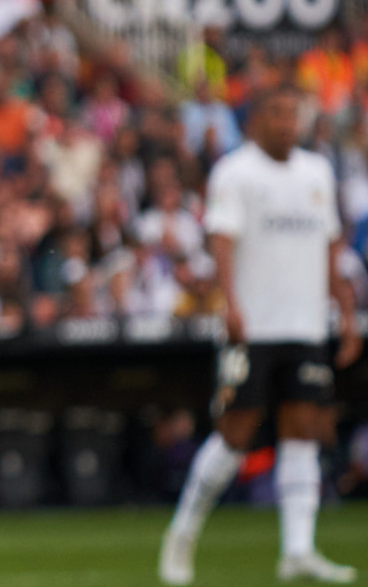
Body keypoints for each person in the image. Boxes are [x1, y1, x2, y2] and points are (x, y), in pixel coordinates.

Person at [160, 85, 362, 585]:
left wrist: (345, 311)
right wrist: (230, 303)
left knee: (304, 430)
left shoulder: (316, 172)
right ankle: (182, 533)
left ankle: (298, 549)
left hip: (305, 324)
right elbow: (221, 240)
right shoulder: (235, 172)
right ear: (255, 120)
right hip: (253, 325)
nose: (287, 123)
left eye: (293, 114)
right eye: (277, 113)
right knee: (235, 433)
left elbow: (330, 247)